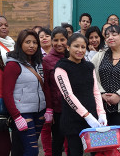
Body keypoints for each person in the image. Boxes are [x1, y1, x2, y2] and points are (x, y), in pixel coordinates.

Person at [54, 33, 107, 156]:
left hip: (94, 118)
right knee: (75, 152)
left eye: (83, 47)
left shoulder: (89, 66)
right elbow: (68, 95)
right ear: (68, 47)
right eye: (76, 46)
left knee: (97, 153)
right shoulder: (61, 67)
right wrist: (86, 115)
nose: (80, 50)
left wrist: (101, 113)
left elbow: (96, 91)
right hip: (73, 119)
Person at [2, 29, 47, 156]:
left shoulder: (38, 63)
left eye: (34, 42)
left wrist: (47, 109)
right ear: (20, 44)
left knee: (23, 148)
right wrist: (16, 117)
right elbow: (7, 93)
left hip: (39, 112)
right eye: (27, 42)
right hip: (23, 114)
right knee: (32, 150)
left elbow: (45, 86)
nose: (32, 45)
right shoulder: (13, 65)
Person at [42, 27, 69, 156]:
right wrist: (49, 109)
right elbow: (46, 86)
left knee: (72, 141)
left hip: (74, 109)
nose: (59, 43)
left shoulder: (74, 55)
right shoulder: (47, 60)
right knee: (57, 141)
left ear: (67, 40)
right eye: (55, 40)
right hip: (57, 108)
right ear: (52, 41)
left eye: (62, 40)